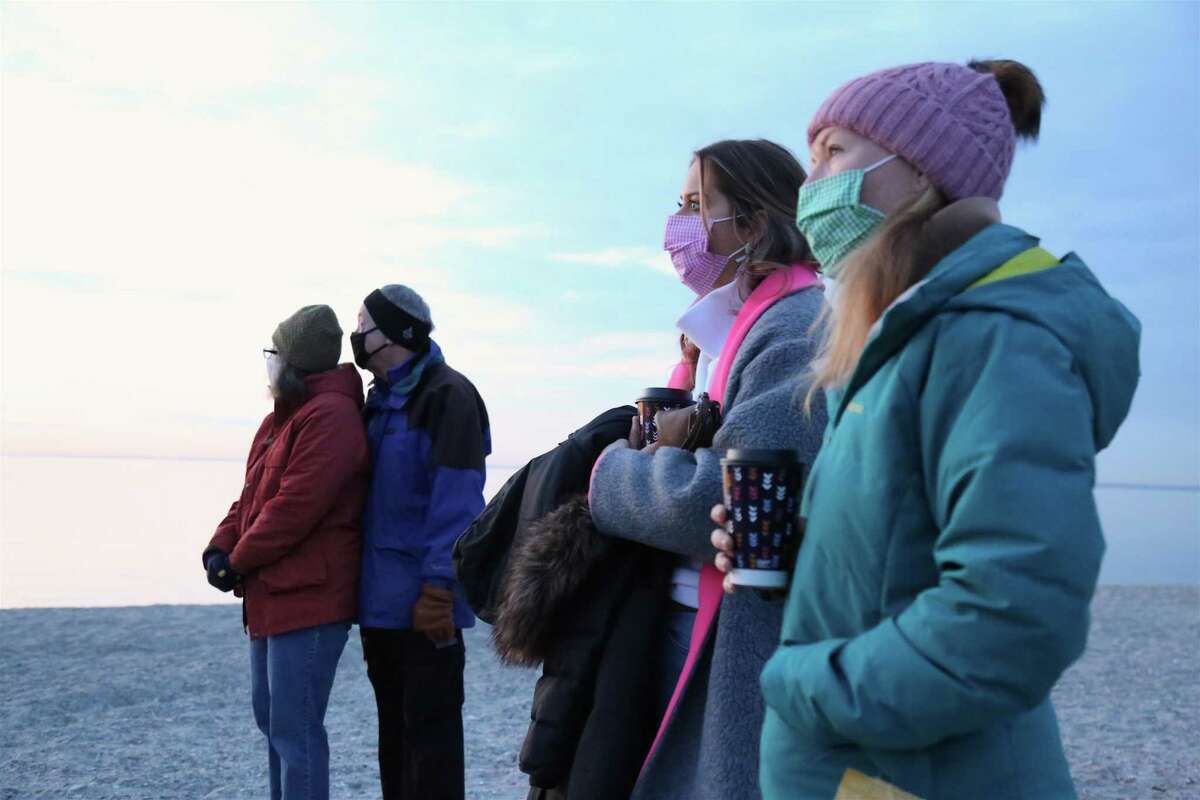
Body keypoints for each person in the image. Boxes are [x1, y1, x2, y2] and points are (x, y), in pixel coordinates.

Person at [710, 60, 1142, 799]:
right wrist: (805, 561)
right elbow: (909, 563)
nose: (812, 185)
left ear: (919, 171)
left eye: (835, 153)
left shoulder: (997, 340)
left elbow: (1011, 622)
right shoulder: (907, 334)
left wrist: (803, 680)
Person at [586, 139, 828, 800]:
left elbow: (725, 500)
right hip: (698, 619)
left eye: (697, 205)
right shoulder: (737, 326)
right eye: (680, 204)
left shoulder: (795, 327)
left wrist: (608, 475)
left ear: (752, 225)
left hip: (733, 636)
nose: (680, 224)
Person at [203, 304, 369, 800]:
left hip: (310, 597)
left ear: (295, 359)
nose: (268, 362)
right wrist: (220, 547)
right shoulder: (283, 417)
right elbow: (252, 497)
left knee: (295, 731)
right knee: (274, 724)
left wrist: (240, 561)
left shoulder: (331, 416)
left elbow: (295, 507)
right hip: (273, 593)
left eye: (273, 352)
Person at [352, 284, 491, 800]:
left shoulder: (447, 395)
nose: (356, 333)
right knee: (395, 737)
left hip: (425, 607)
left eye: (362, 322)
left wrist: (438, 590)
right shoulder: (377, 401)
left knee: (432, 744)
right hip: (380, 605)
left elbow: (456, 504)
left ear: (389, 334)